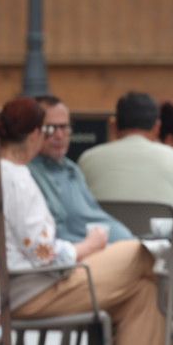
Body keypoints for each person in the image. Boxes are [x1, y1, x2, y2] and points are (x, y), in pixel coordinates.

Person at [0, 97, 165, 345]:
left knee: (143, 292)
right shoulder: (17, 178)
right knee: (143, 254)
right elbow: (45, 254)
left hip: (32, 283)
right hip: (38, 287)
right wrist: (88, 246)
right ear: (34, 135)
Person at [79, 92, 173, 215]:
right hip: (162, 243)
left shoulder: (86, 160)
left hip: (107, 243)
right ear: (157, 127)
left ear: (114, 126)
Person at [28, 96, 134, 244]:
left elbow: (94, 214)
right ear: (34, 131)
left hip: (112, 245)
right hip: (81, 255)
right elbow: (60, 233)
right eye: (50, 129)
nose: (59, 135)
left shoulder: (72, 168)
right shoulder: (28, 173)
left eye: (64, 127)